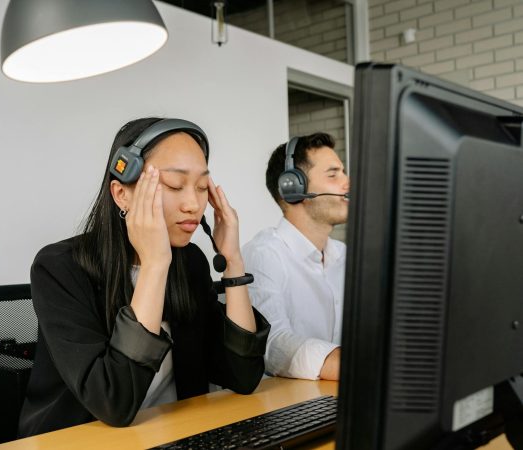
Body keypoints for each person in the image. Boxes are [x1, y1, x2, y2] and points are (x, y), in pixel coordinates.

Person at [19, 118, 269, 436]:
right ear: (122, 194)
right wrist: (153, 265)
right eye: (175, 186)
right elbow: (115, 404)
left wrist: (233, 263)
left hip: (173, 432)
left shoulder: (190, 262)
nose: (193, 204)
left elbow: (244, 376)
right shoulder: (59, 268)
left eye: (202, 187)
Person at [242, 133, 349, 381]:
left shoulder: (345, 256)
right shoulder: (264, 255)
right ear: (293, 186)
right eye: (333, 175)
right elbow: (274, 345)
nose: (347, 183)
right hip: (283, 408)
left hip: (336, 397)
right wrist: (354, 364)